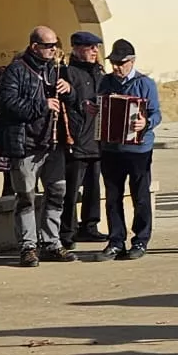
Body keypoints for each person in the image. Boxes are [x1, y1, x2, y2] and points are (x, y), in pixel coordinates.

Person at [0, 27, 71, 267]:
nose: (53, 50)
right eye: (48, 46)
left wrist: (69, 90)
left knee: (57, 192)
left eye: (55, 45)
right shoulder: (16, 70)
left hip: (53, 142)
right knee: (26, 197)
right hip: (26, 143)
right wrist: (42, 104)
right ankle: (28, 247)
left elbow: (73, 102)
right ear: (34, 46)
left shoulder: (56, 69)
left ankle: (51, 242)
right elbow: (7, 104)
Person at [99, 39, 160, 260]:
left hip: (138, 149)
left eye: (121, 62)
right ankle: (116, 241)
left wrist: (145, 124)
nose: (116, 67)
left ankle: (141, 240)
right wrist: (92, 110)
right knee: (113, 196)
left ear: (132, 61)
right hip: (111, 148)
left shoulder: (146, 83)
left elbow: (156, 113)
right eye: (114, 62)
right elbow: (99, 108)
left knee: (140, 195)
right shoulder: (105, 82)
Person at [60, 32, 108, 250]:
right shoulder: (67, 72)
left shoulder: (99, 72)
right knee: (71, 189)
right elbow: (63, 103)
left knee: (93, 186)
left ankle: (89, 226)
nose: (95, 51)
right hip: (76, 138)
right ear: (77, 49)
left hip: (97, 138)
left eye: (96, 47)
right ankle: (67, 231)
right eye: (90, 48)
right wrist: (80, 102)